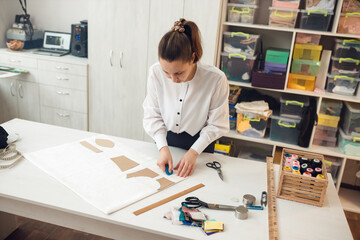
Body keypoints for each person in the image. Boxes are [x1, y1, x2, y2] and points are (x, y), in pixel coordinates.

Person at [143, 18, 229, 178]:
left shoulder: (216, 79)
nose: (173, 80)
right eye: (166, 72)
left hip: (201, 144)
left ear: (193, 58)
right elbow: (152, 114)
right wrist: (162, 148)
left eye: (179, 73)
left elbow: (217, 124)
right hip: (164, 140)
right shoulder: (155, 72)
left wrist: (194, 153)